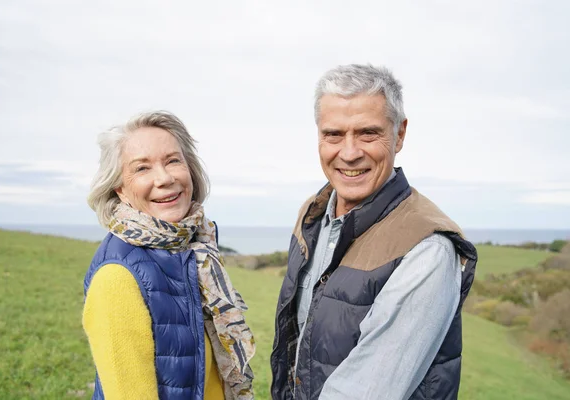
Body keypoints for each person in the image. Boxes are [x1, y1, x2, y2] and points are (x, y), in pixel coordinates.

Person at [270, 64, 478, 400]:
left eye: (368, 133)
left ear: (399, 135)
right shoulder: (313, 214)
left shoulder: (427, 249)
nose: (349, 153)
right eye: (333, 134)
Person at [83, 111, 255, 400]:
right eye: (142, 168)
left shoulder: (190, 252)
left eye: (173, 160)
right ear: (121, 190)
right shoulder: (117, 278)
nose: (164, 178)